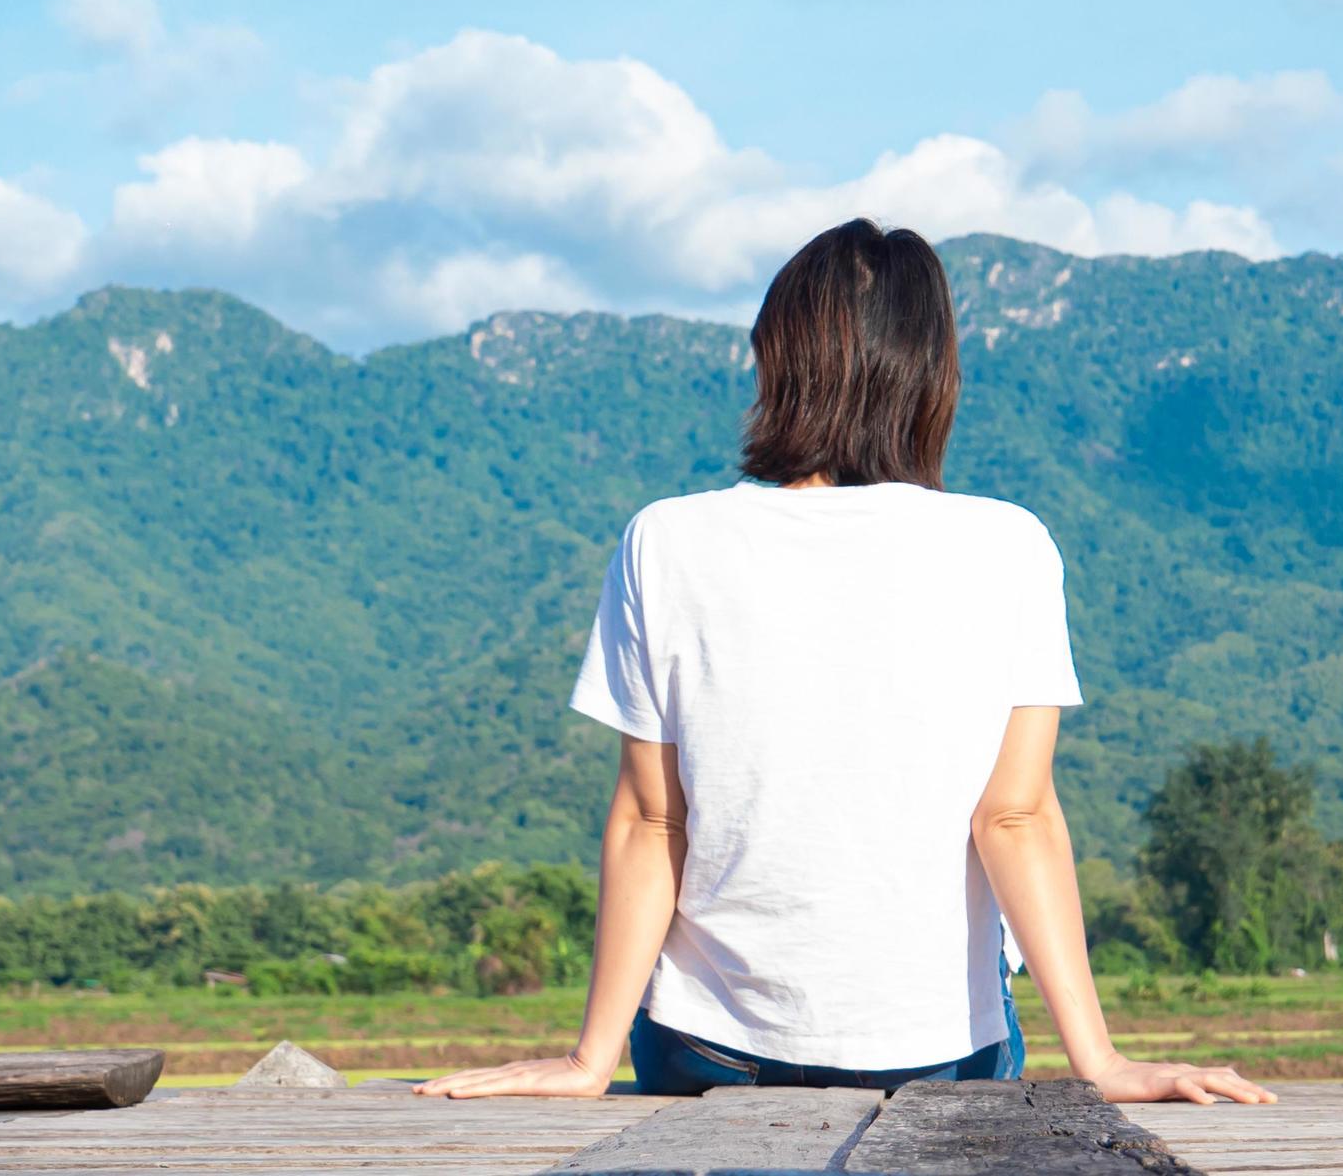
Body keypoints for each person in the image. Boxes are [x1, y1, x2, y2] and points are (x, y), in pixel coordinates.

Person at [420, 220, 1271, 1106]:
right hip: (936, 1052)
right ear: (932, 375)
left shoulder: (666, 540)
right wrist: (1101, 1062)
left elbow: (650, 822)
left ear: (775, 358)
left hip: (704, 1051)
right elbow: (1013, 819)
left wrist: (588, 1062)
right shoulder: (1011, 546)